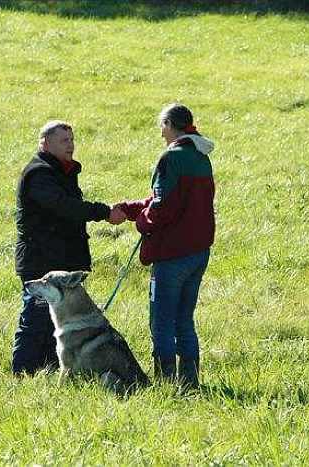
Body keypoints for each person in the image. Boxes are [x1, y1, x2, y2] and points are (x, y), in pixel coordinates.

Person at [12, 120, 126, 375]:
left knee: (53, 321)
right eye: (64, 140)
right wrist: (104, 212)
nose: (71, 145)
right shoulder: (39, 173)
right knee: (34, 319)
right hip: (41, 260)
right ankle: (22, 373)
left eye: (72, 139)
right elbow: (64, 206)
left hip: (59, 259)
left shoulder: (62, 171)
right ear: (45, 142)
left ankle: (48, 370)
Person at [116, 103, 215, 389]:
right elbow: (173, 200)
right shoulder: (200, 155)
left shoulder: (171, 159)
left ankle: (166, 382)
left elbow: (162, 208)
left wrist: (141, 223)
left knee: (161, 321)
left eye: (162, 126)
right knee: (184, 319)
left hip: (173, 252)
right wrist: (132, 208)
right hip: (198, 251)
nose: (161, 133)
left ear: (170, 124)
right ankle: (190, 381)